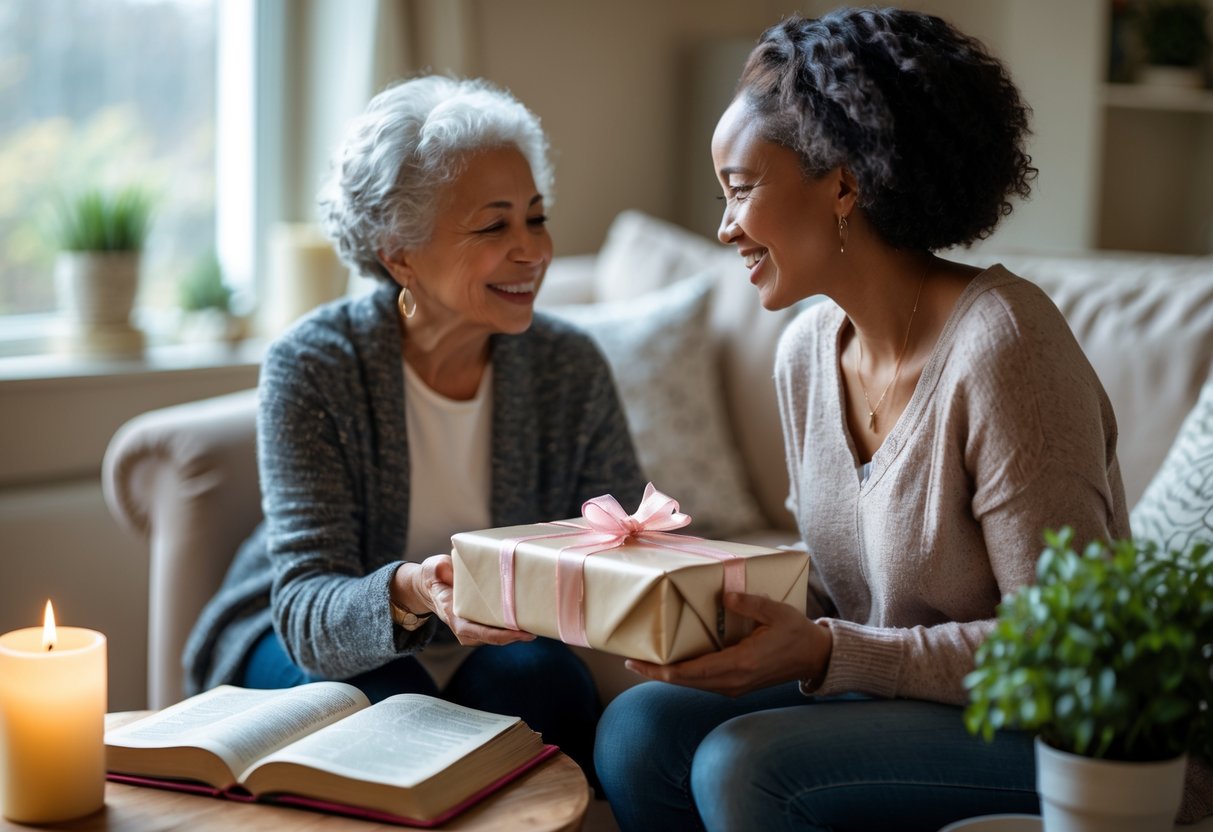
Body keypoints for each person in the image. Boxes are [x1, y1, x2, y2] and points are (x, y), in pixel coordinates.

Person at [596, 8, 1210, 829]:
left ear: (844, 182)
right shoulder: (805, 352)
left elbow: (1060, 649)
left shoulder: (1005, 347)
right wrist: (705, 602)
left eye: (741, 190)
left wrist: (828, 652)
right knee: (638, 729)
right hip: (894, 694)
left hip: (1052, 732)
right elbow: (837, 585)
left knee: (748, 766)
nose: (723, 227)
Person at [183, 75, 645, 786]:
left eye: (536, 217)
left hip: (498, 640)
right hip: (312, 639)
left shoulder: (568, 365)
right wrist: (407, 591)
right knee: (379, 710)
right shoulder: (313, 366)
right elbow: (305, 609)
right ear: (400, 253)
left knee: (545, 684)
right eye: (494, 227)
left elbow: (617, 541)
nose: (533, 250)